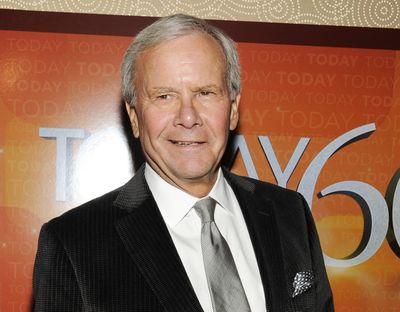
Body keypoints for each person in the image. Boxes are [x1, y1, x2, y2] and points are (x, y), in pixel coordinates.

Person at [32, 14, 334, 312]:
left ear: (232, 110)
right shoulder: (74, 244)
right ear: (135, 117)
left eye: (205, 93)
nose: (188, 117)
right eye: (164, 96)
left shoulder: (289, 214)